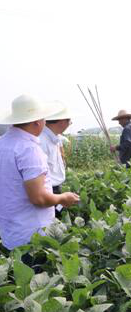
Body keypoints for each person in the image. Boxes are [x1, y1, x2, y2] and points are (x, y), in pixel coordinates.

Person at [0, 95, 80, 257]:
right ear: (37, 122)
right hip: (32, 235)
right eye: (44, 119)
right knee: (35, 277)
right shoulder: (29, 149)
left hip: (10, 229)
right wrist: (63, 198)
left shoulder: (3, 143)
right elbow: (39, 199)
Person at [39, 102, 73, 218]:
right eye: (69, 121)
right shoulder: (41, 141)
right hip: (47, 192)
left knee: (58, 219)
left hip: (56, 191)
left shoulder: (55, 138)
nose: (70, 124)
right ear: (62, 121)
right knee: (51, 224)